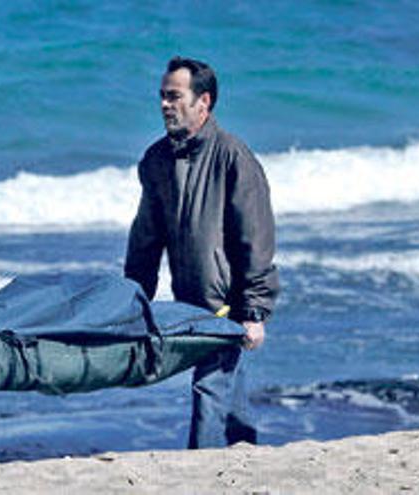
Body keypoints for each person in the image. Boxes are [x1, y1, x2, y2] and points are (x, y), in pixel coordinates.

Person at [125, 56, 280, 448]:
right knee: (227, 385)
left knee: (208, 390)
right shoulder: (157, 159)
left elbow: (255, 238)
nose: (164, 104)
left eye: (174, 96)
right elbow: (146, 238)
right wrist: (132, 300)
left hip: (226, 303)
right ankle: (244, 454)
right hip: (188, 301)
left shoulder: (233, 157)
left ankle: (200, 473)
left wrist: (254, 312)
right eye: (162, 96)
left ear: (203, 102)